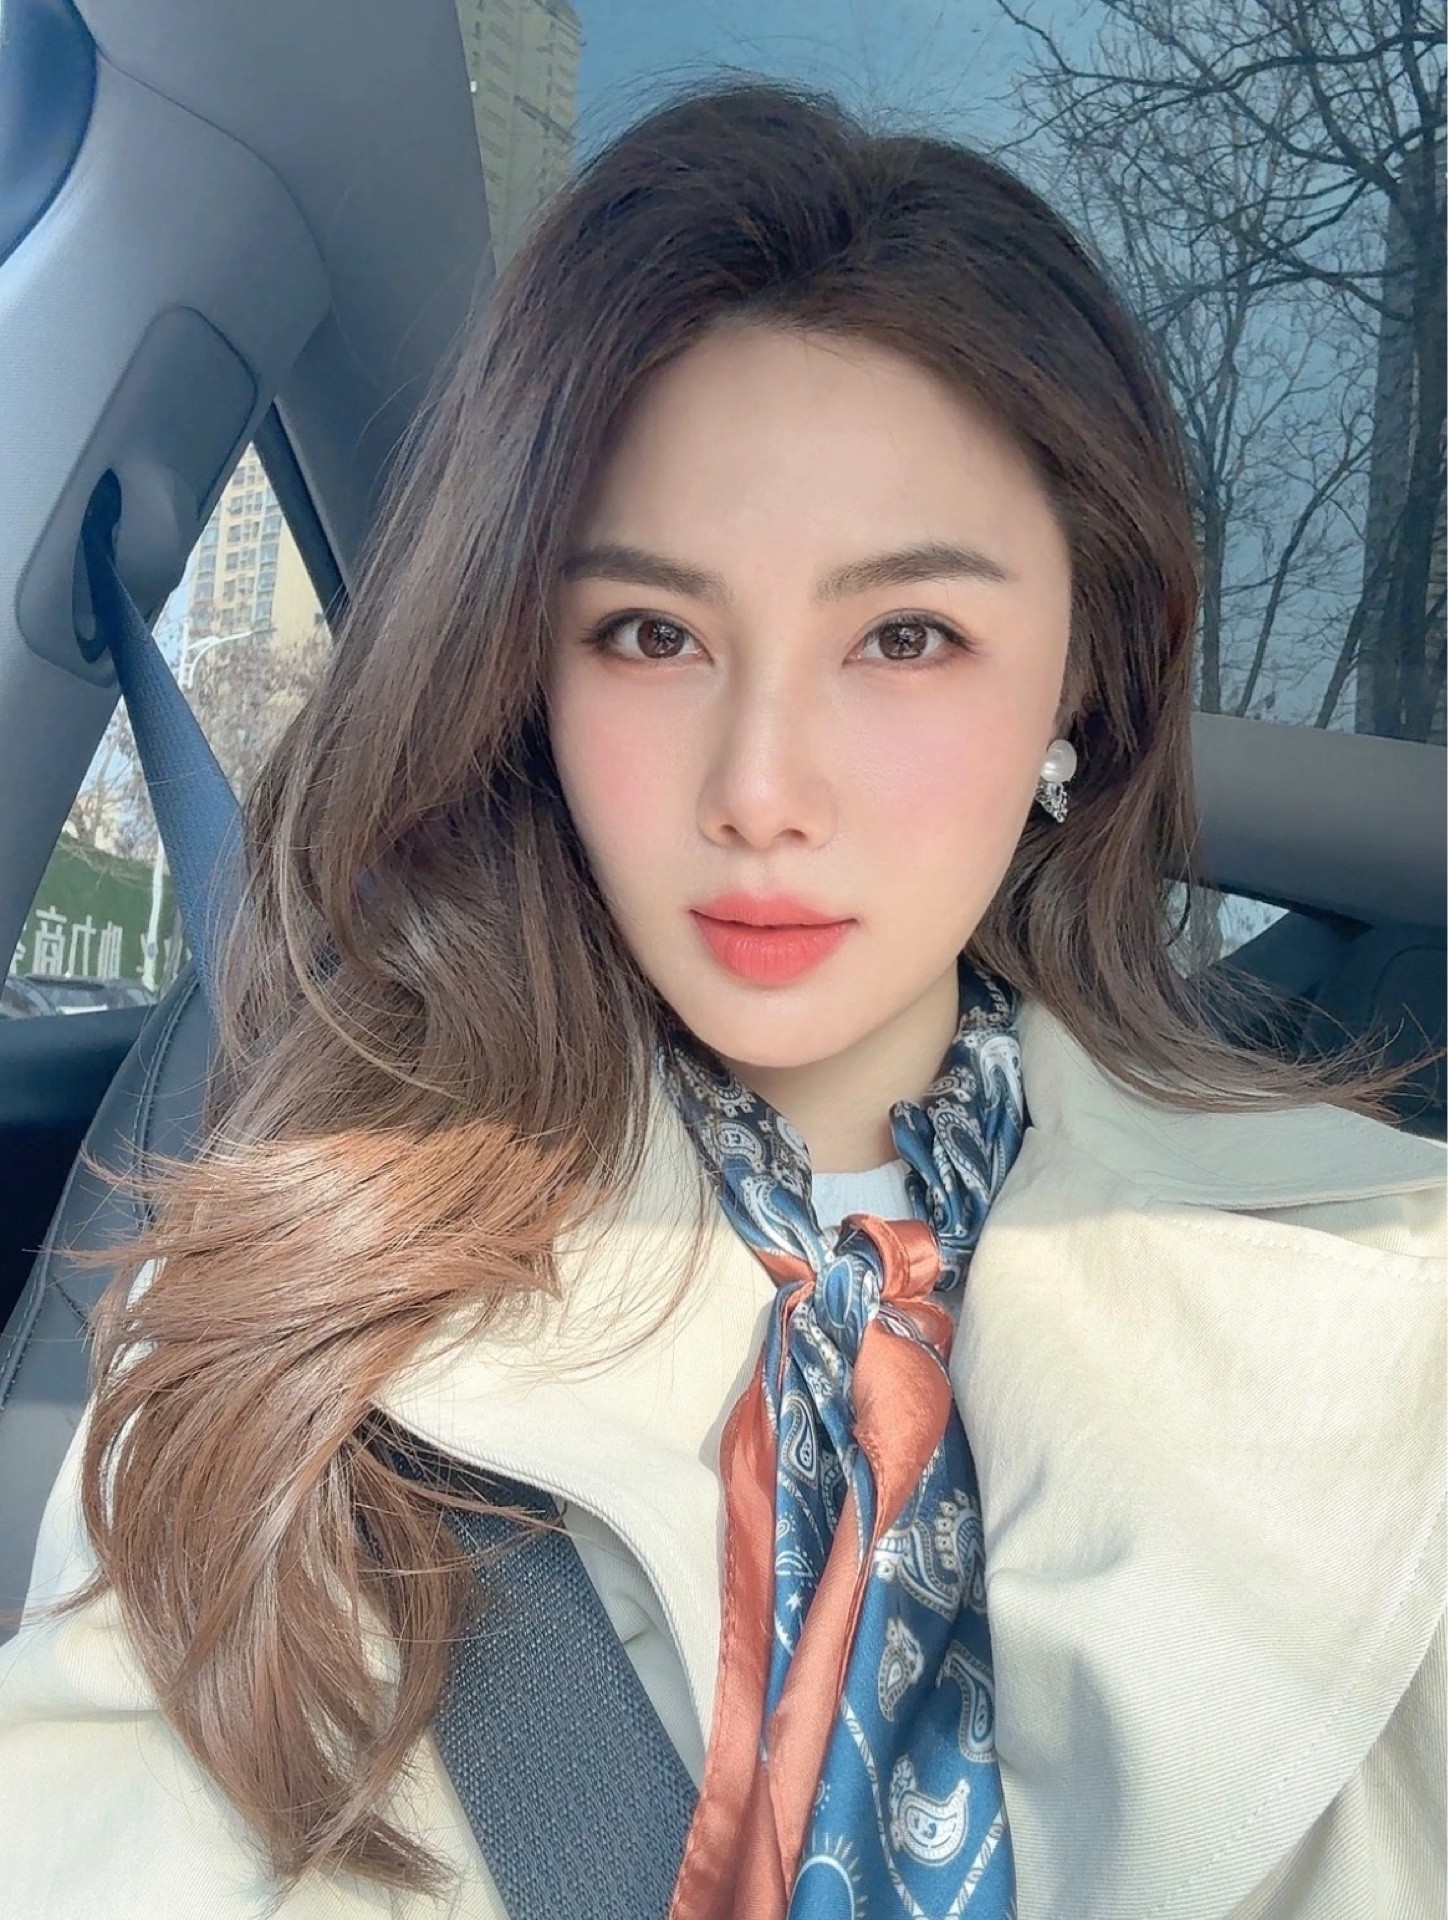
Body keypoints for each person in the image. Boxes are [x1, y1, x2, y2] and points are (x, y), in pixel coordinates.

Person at [0, 76, 1443, 1920]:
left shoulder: (1390, 1305)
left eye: (905, 637)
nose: (760, 788)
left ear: (1083, 677)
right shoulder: (288, 1283)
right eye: (652, 633)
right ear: (530, 677)